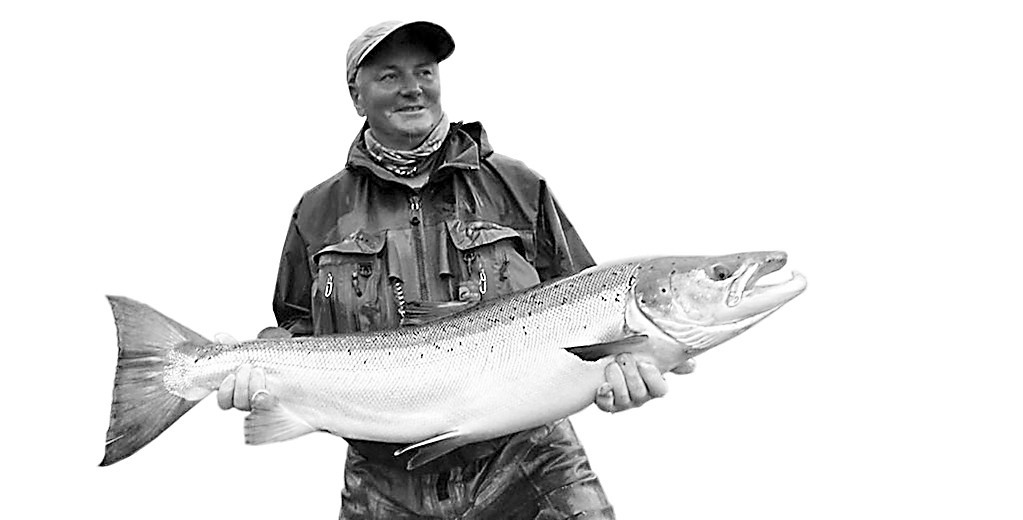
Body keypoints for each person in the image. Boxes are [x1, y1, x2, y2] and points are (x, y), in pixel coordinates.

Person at [217, 20, 669, 519]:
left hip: (531, 463)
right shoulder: (318, 212)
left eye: (425, 71)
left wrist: (622, 372)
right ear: (356, 95)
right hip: (385, 480)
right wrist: (262, 376)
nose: (412, 88)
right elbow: (298, 329)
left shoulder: (518, 187)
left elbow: (588, 302)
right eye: (390, 75)